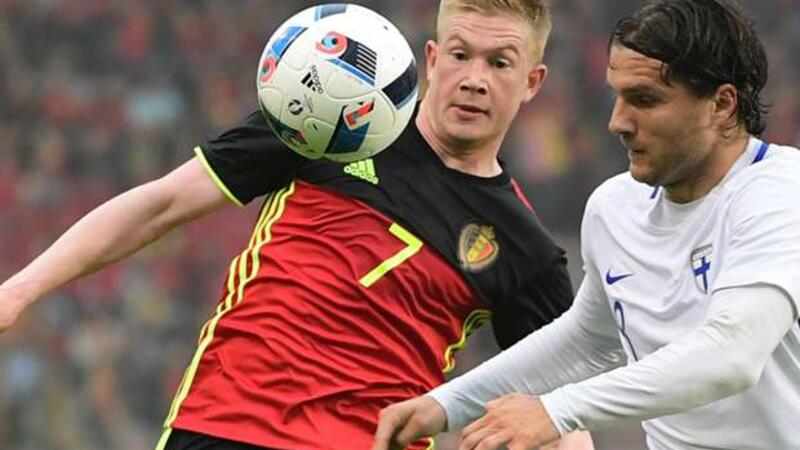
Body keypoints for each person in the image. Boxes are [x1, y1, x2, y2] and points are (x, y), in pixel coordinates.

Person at [0, 1, 593, 449]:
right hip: (226, 424)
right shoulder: (332, 121)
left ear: (532, 82)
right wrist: (20, 289)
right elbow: (162, 204)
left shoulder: (525, 249)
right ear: (433, 60)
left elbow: (563, 407)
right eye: (461, 55)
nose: (475, 78)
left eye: (499, 63)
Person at [372, 0, 800, 449]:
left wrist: (555, 410)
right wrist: (445, 404)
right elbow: (588, 340)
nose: (618, 122)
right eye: (617, 97)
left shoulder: (780, 191)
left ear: (722, 104)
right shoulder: (614, 208)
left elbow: (732, 355)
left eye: (644, 100)